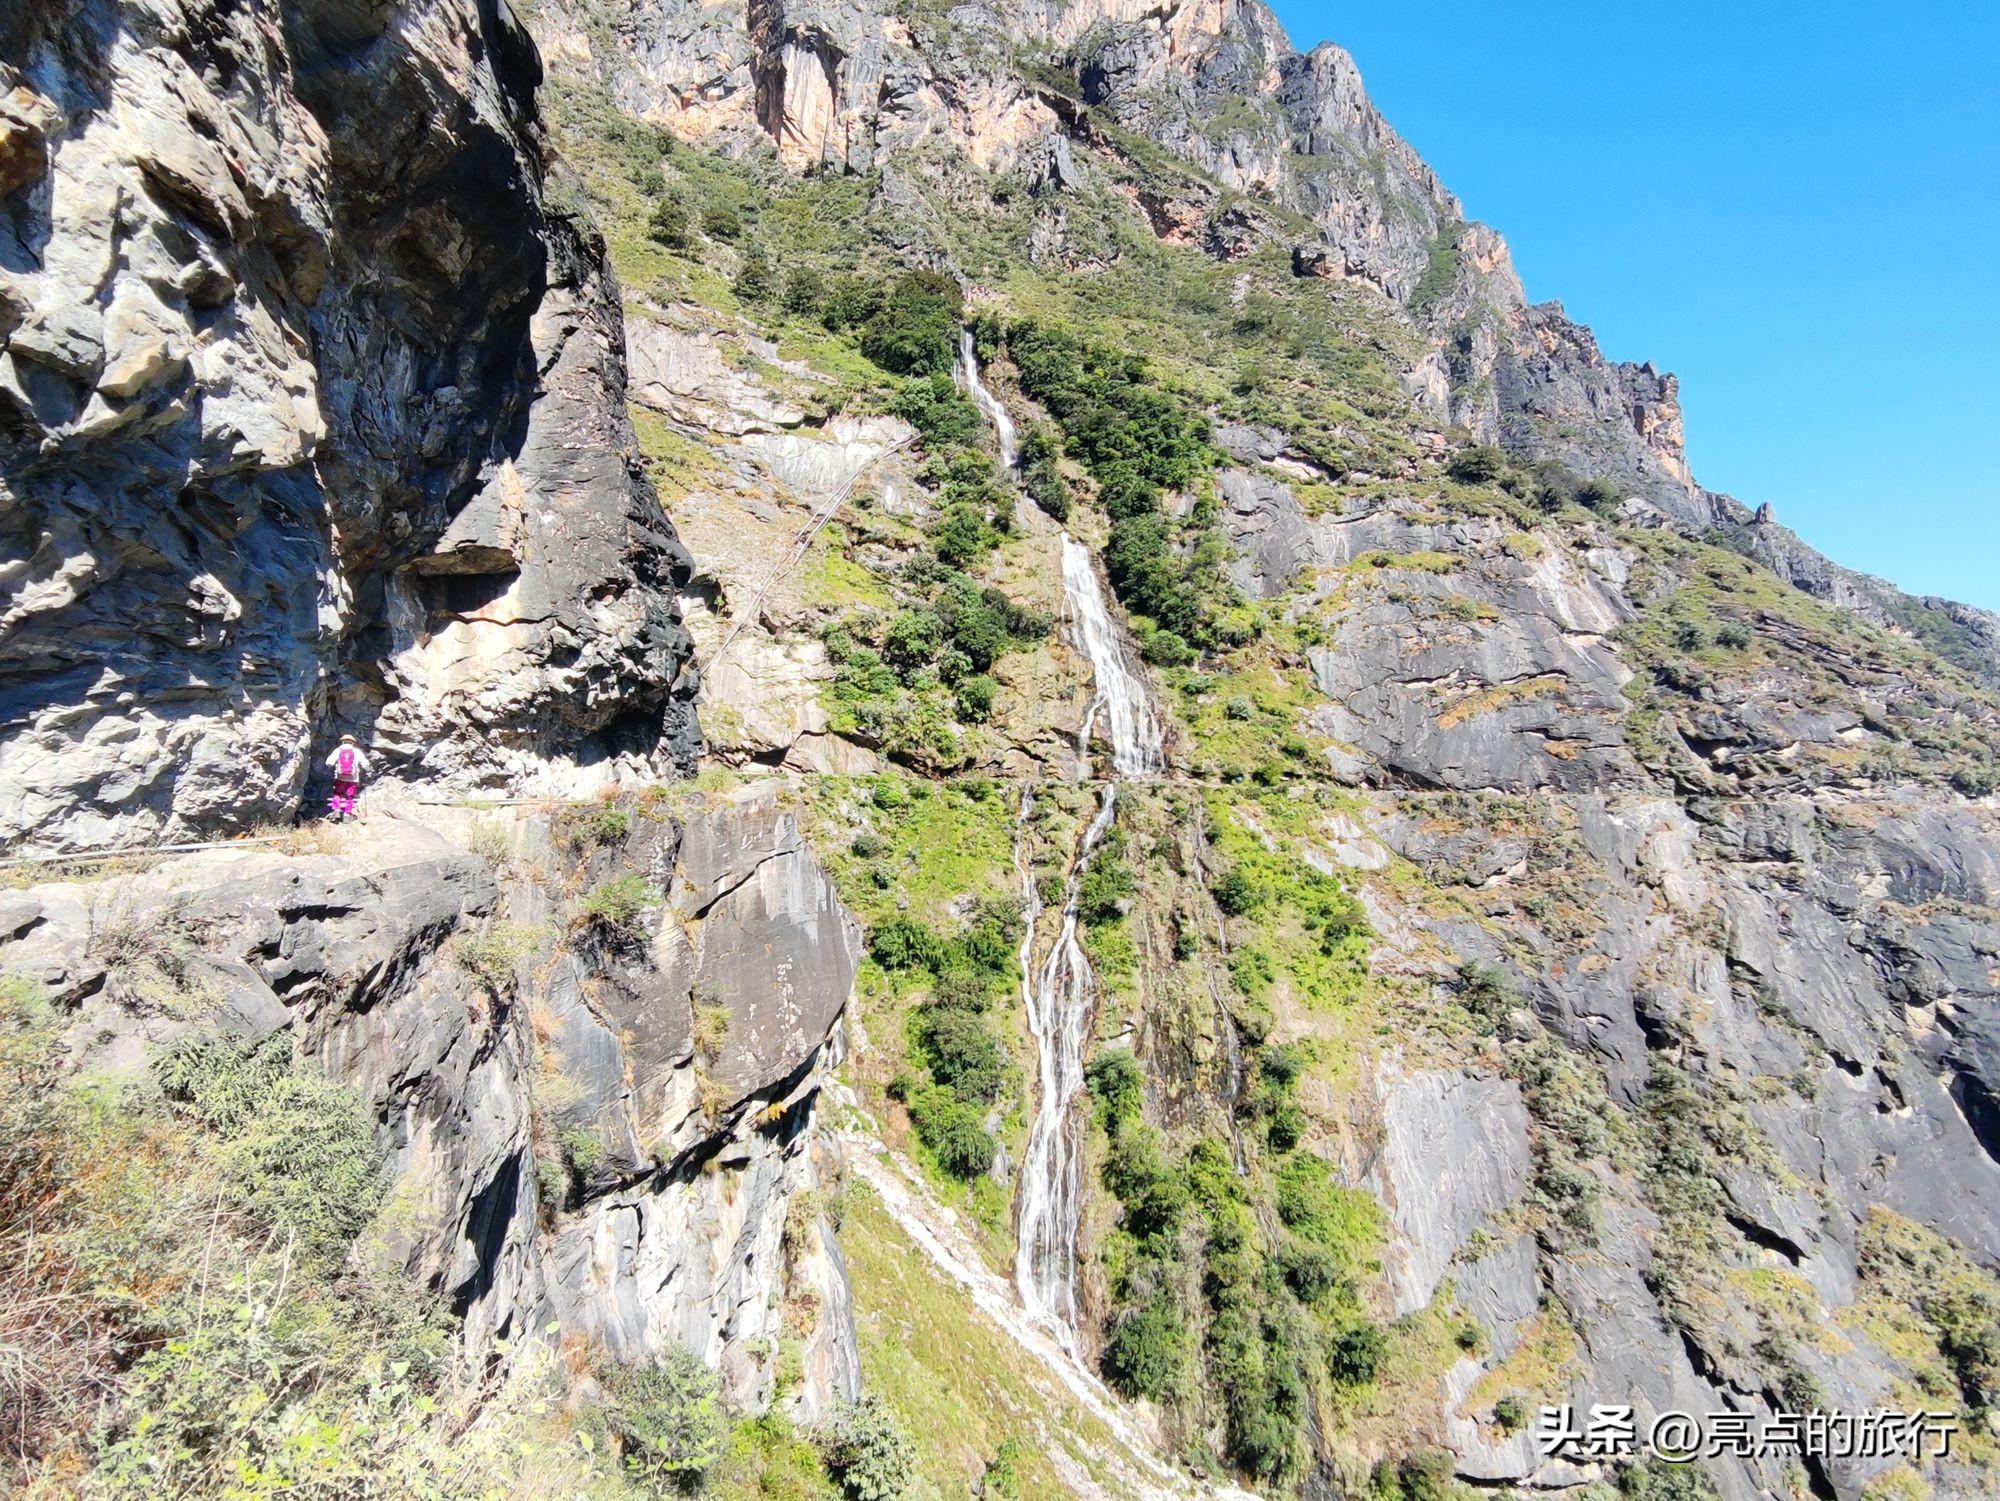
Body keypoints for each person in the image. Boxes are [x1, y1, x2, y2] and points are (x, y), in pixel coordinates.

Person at [324, 733, 372, 821]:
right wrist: (368, 770)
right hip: (353, 778)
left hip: (340, 777)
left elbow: (329, 762)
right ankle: (347, 815)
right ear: (353, 742)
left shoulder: (338, 750)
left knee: (337, 793)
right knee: (349, 796)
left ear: (342, 742)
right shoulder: (357, 751)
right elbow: (365, 764)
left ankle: (336, 810)